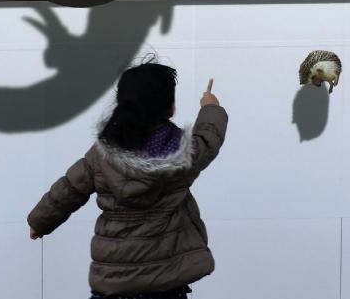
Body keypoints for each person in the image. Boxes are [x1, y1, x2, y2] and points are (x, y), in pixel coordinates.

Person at [27, 61, 228, 299]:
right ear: (171, 108)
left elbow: (70, 188)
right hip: (165, 282)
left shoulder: (102, 152)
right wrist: (210, 107)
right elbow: (208, 139)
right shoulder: (182, 154)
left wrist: (40, 221)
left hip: (113, 282)